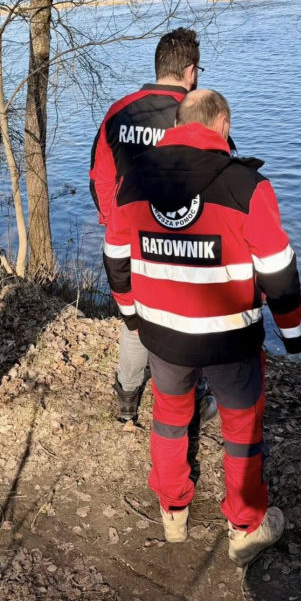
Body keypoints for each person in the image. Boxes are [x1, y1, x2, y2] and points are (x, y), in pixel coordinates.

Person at [102, 89, 301, 566]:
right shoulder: (246, 185)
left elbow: (115, 258)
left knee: (171, 419)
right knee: (241, 431)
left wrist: (132, 314)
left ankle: (173, 512)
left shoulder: (133, 182)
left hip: (163, 334)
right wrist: (294, 333)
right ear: (222, 123)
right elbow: (278, 271)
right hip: (231, 338)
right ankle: (244, 525)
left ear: (180, 123)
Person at [89, 28, 215, 426]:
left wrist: (115, 225)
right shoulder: (198, 115)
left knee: (135, 320)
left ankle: (127, 398)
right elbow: (220, 181)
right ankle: (189, 397)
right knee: (187, 323)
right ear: (190, 71)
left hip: (129, 238)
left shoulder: (120, 111)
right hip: (185, 237)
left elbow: (100, 177)